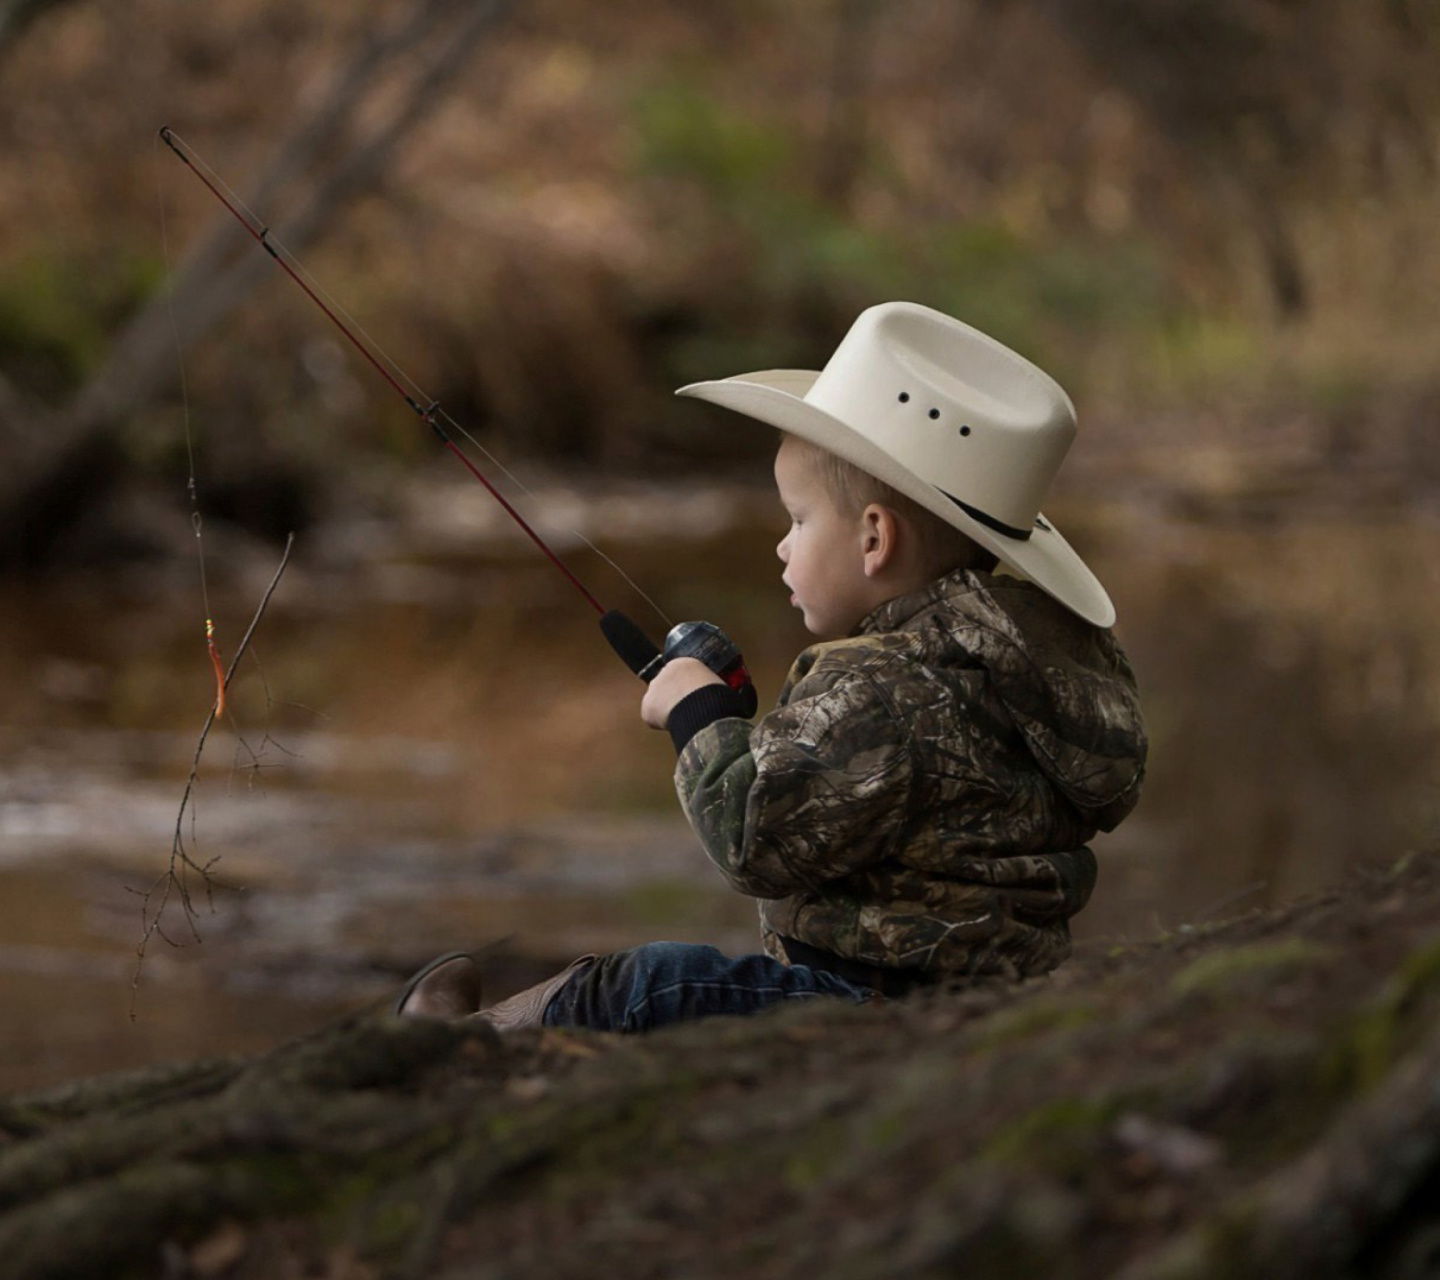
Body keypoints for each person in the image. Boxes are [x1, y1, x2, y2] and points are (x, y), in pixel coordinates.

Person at [395, 301, 1147, 1032]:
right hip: (989, 1001)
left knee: (649, 984)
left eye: (797, 519)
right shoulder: (1021, 666)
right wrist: (751, 731)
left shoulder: (881, 690)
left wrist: (699, 716)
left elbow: (752, 838)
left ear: (874, 539)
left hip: (877, 1009)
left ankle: (453, 1053)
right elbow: (856, 791)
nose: (783, 547)